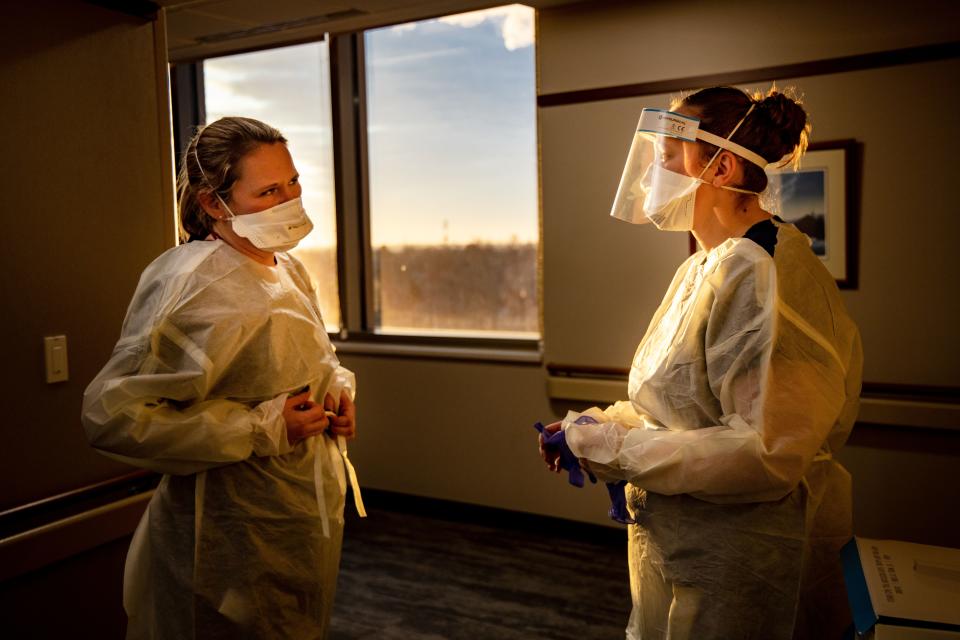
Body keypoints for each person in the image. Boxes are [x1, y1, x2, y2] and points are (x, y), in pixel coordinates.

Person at [538, 87, 863, 639]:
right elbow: (679, 404)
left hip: (747, 562)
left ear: (722, 164)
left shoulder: (759, 270)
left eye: (665, 159)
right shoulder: (705, 267)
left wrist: (612, 449)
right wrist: (603, 424)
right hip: (690, 548)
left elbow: (765, 452)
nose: (649, 179)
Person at [82, 116, 364, 639]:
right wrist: (260, 429)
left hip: (299, 517)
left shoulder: (287, 269)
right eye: (268, 191)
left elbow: (311, 361)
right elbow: (112, 414)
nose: (289, 200)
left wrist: (335, 395)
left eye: (293, 182)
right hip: (224, 533)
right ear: (214, 203)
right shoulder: (190, 283)